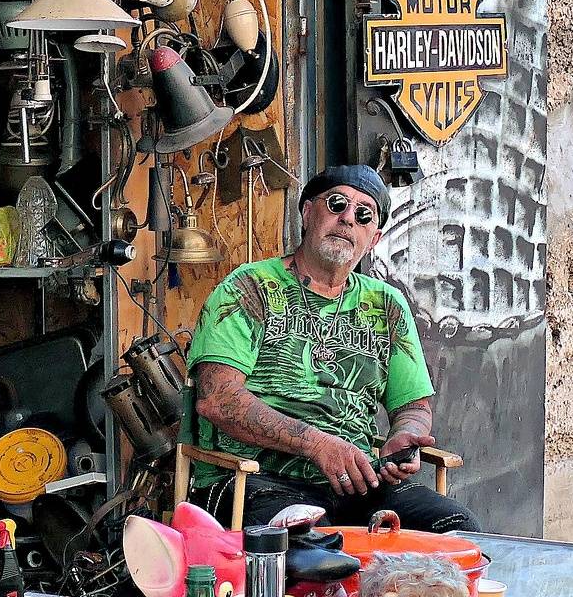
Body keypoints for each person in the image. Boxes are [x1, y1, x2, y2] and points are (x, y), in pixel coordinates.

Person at [186, 165, 480, 533]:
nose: (348, 219)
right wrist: (317, 445)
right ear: (308, 213)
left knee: (458, 530)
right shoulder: (248, 288)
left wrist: (403, 435)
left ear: (374, 238)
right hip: (256, 480)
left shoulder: (387, 305)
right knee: (313, 546)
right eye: (337, 204)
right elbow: (217, 399)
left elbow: (413, 407)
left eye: (364, 215)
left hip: (358, 483)